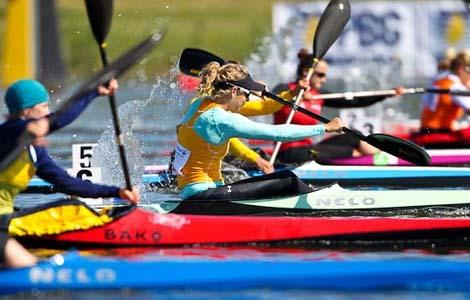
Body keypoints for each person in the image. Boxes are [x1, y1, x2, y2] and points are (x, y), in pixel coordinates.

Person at [173, 62, 344, 200]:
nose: (247, 100)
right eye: (247, 94)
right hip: (203, 195)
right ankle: (325, 204)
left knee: (268, 182)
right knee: (286, 179)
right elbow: (278, 133)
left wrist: (291, 93)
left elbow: (180, 130)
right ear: (234, 91)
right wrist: (325, 128)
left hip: (197, 190)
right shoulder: (221, 119)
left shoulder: (198, 104)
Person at [0, 79, 140, 215]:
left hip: (4, 217)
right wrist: (94, 92)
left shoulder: (35, 151)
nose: (48, 112)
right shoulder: (6, 134)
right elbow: (57, 120)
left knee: (72, 207)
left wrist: (117, 192)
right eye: (43, 106)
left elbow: (68, 184)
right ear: (26, 111)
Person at [271, 49, 401, 164]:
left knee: (354, 135)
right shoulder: (284, 89)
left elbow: (354, 101)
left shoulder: (318, 95)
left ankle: (384, 158)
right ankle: (379, 163)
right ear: (306, 72)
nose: (324, 80)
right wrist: (294, 95)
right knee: (351, 151)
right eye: (320, 75)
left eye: (325, 75)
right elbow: (269, 99)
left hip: (309, 149)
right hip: (289, 153)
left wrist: (386, 94)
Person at [416, 50, 470, 147]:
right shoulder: (456, 88)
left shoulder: (440, 78)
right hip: (438, 139)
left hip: (425, 133)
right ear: (462, 69)